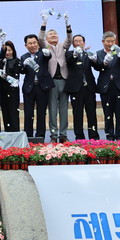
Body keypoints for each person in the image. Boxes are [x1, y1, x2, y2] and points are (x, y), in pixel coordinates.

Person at [39, 11, 73, 143]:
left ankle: (63, 134)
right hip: (52, 81)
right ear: (47, 38)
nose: (53, 35)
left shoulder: (62, 45)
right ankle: (53, 135)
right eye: (51, 34)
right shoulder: (45, 46)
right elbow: (40, 39)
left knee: (64, 110)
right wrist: (44, 23)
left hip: (64, 79)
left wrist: (67, 25)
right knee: (52, 109)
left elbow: (69, 40)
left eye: (55, 34)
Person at [93, 31, 120, 141]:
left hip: (119, 85)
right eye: (108, 41)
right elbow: (97, 67)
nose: (110, 44)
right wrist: (103, 63)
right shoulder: (99, 53)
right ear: (103, 42)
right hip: (106, 86)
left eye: (112, 41)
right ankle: (109, 135)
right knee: (107, 112)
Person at [65, 35, 99, 140]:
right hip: (76, 88)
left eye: (80, 41)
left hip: (89, 87)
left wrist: (95, 60)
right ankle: (79, 137)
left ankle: (94, 136)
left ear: (84, 43)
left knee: (91, 113)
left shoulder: (88, 54)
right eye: (76, 41)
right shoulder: (69, 53)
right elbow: (69, 61)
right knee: (77, 113)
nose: (78, 43)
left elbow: (97, 67)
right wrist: (75, 54)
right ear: (73, 44)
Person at [20, 34, 53, 139]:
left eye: (34, 42)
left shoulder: (43, 53)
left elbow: (48, 56)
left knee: (41, 113)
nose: (33, 45)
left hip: (42, 87)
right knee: (28, 113)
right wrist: (24, 65)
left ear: (38, 43)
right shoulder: (24, 57)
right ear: (26, 45)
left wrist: (47, 52)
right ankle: (28, 136)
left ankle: (40, 136)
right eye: (30, 43)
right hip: (29, 88)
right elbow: (22, 71)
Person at [0, 39, 21, 132]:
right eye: (6, 50)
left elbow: (16, 78)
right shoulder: (0, 61)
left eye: (10, 50)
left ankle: (15, 133)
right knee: (5, 112)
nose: (7, 53)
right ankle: (7, 132)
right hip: (2, 89)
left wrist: (6, 76)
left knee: (13, 112)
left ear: (13, 51)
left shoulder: (16, 61)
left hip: (13, 90)